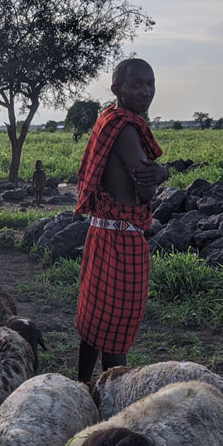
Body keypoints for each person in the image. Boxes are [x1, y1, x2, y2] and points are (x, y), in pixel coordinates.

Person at [74, 58, 170, 383]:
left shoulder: (107, 119)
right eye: (136, 85)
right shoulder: (126, 128)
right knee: (116, 328)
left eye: (150, 84)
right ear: (117, 89)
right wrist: (162, 172)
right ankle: (112, 400)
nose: (145, 91)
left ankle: (82, 385)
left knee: (95, 320)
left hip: (101, 231)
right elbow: (144, 191)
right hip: (122, 239)